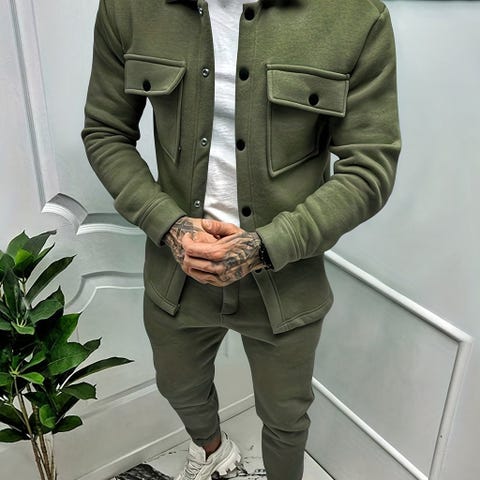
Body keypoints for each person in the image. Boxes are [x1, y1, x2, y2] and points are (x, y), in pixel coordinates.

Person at [82, 0, 401, 479]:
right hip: (177, 269)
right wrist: (170, 226)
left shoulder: (356, 16)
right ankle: (213, 452)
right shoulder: (129, 8)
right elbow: (105, 132)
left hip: (287, 278)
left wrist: (266, 246)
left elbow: (370, 167)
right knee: (177, 385)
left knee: (286, 417)